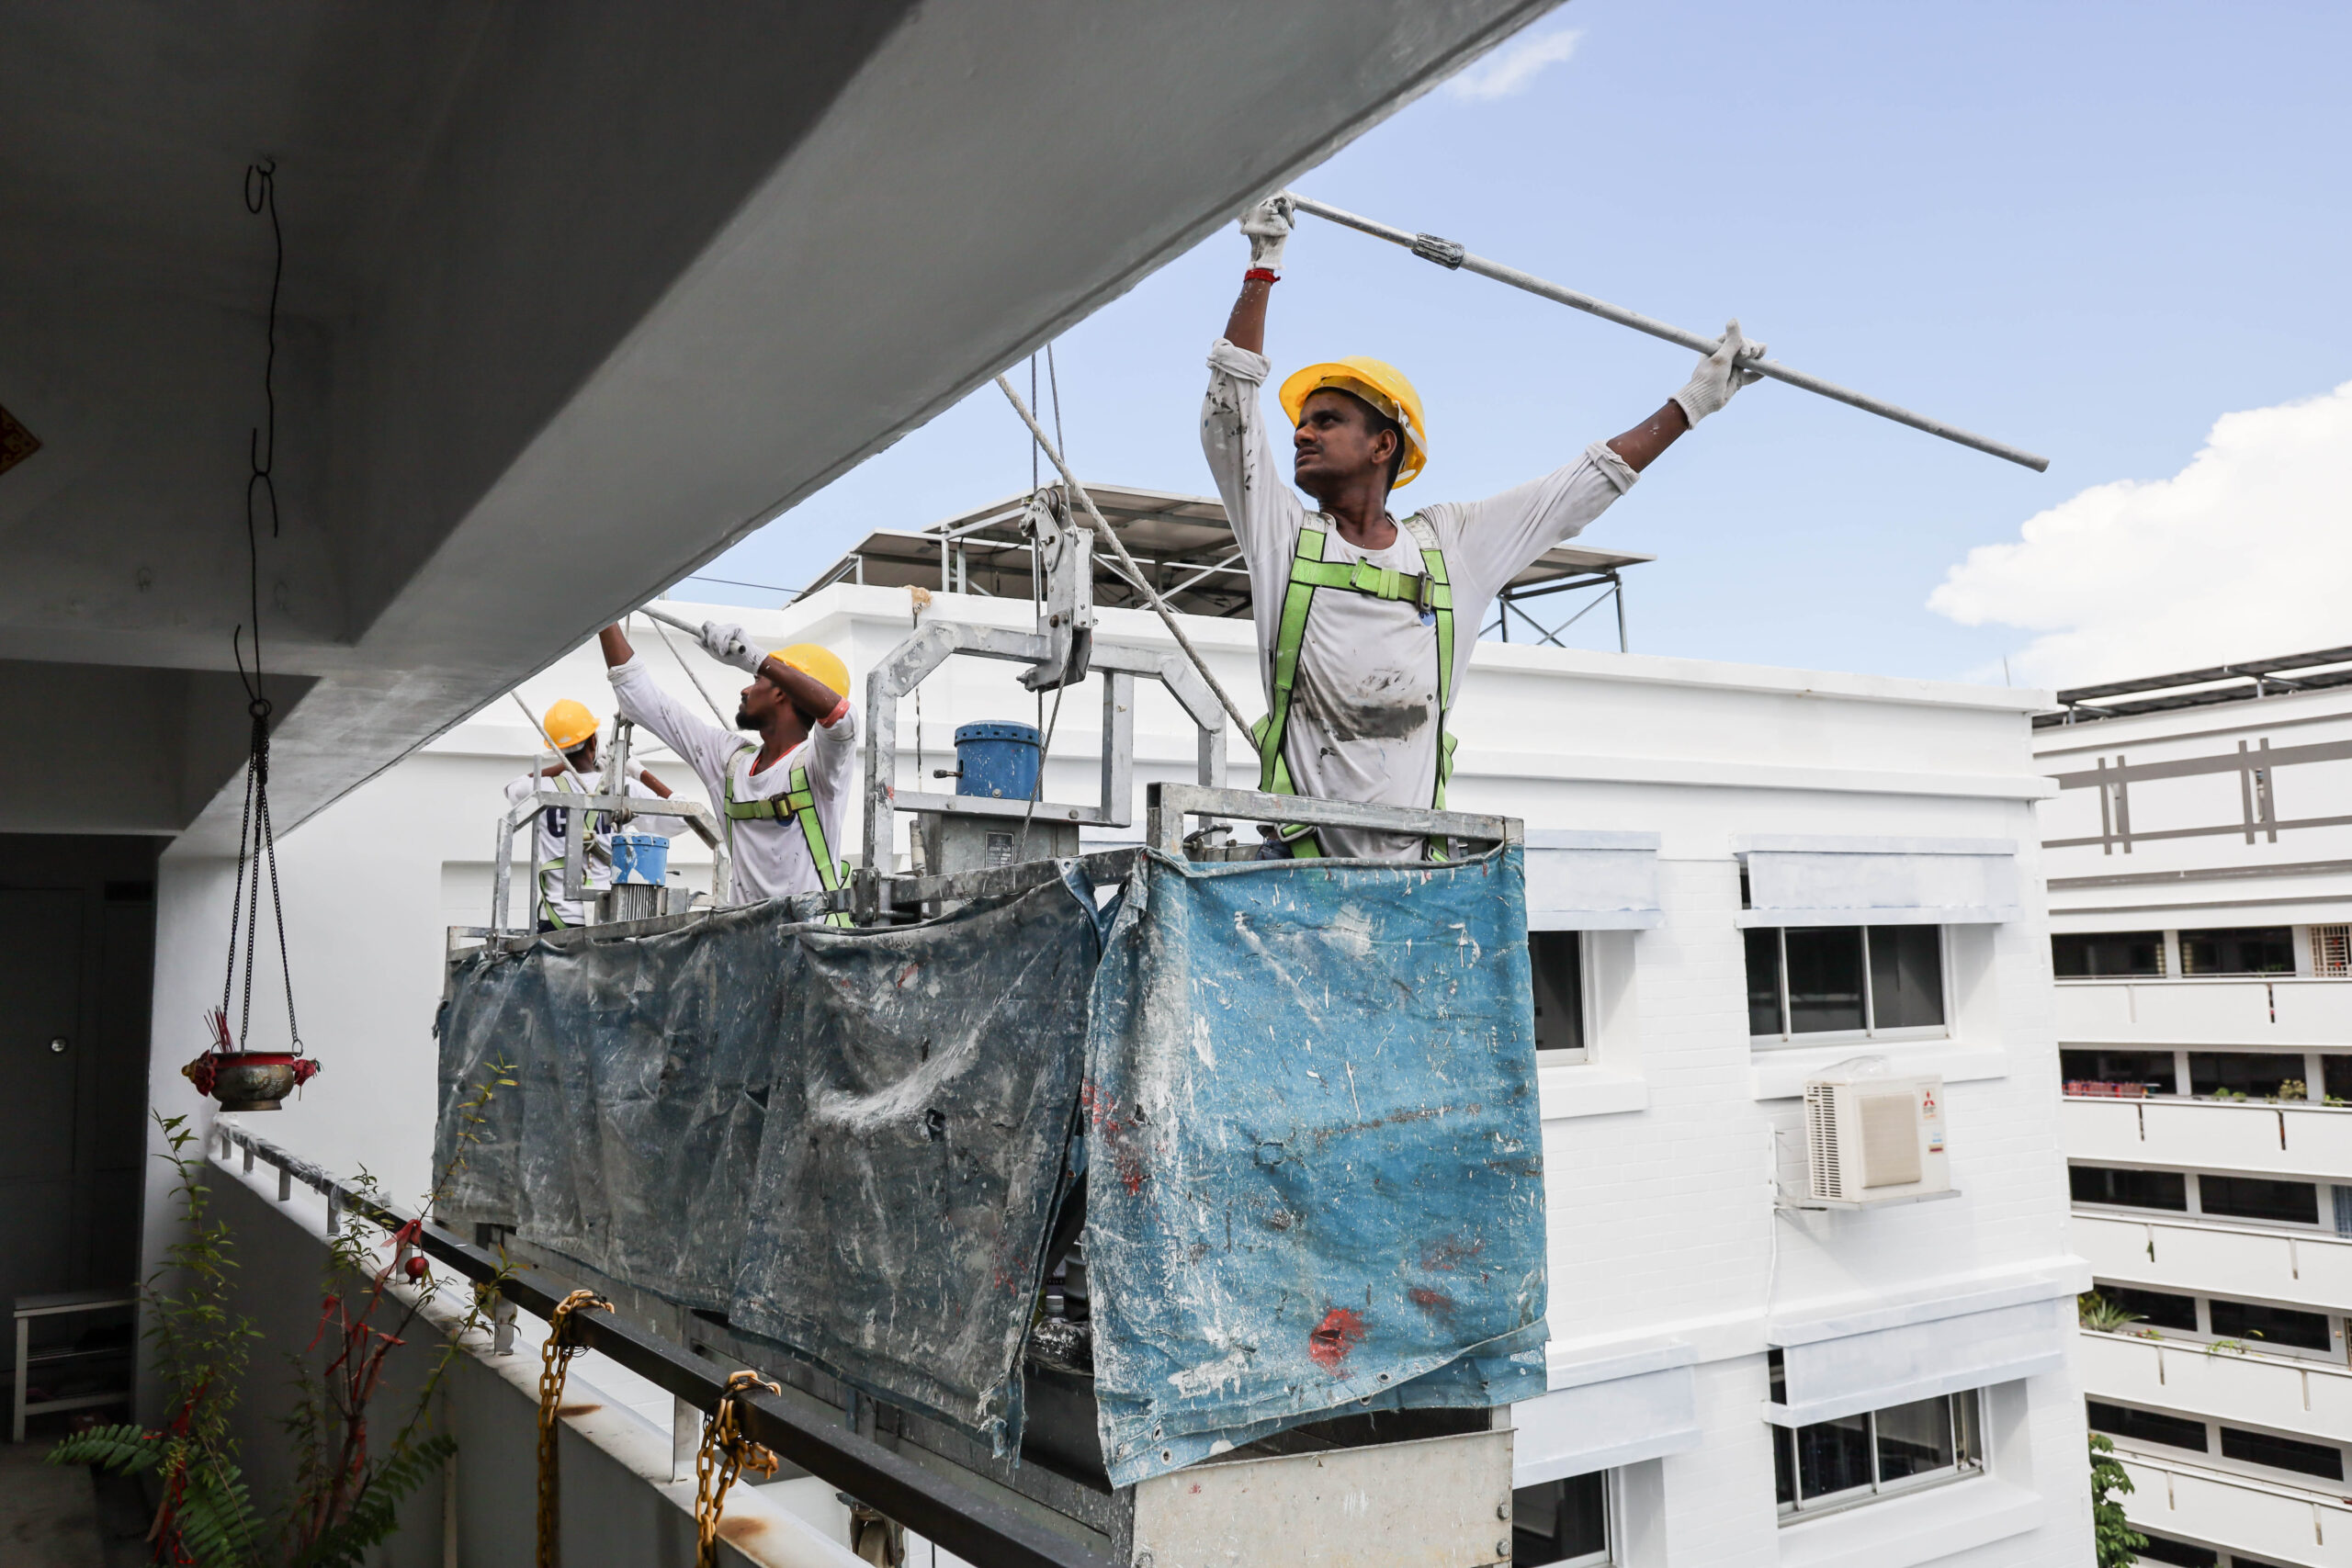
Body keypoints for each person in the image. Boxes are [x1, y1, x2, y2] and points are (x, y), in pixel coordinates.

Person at [1201, 193, 1766, 861]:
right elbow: (1228, 418)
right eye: (1303, 419)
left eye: (1327, 420)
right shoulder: (1285, 539)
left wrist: (1695, 402)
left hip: (1420, 887)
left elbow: (1577, 488)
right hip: (1296, 875)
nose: (1301, 431)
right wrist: (1262, 265)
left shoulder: (1449, 548)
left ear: (1385, 445)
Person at [597, 620, 857, 910]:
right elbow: (642, 700)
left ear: (783, 691)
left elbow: (841, 719)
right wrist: (605, 614)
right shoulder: (731, 762)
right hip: (751, 946)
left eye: (757, 680)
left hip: (813, 945)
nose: (746, 689)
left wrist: (757, 660)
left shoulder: (818, 768)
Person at [505, 698, 686, 931]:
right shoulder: (623, 789)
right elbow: (683, 816)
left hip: (556, 921)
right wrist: (638, 771)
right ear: (594, 740)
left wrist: (562, 763)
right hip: (605, 917)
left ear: (555, 749)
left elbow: (513, 786)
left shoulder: (540, 789)